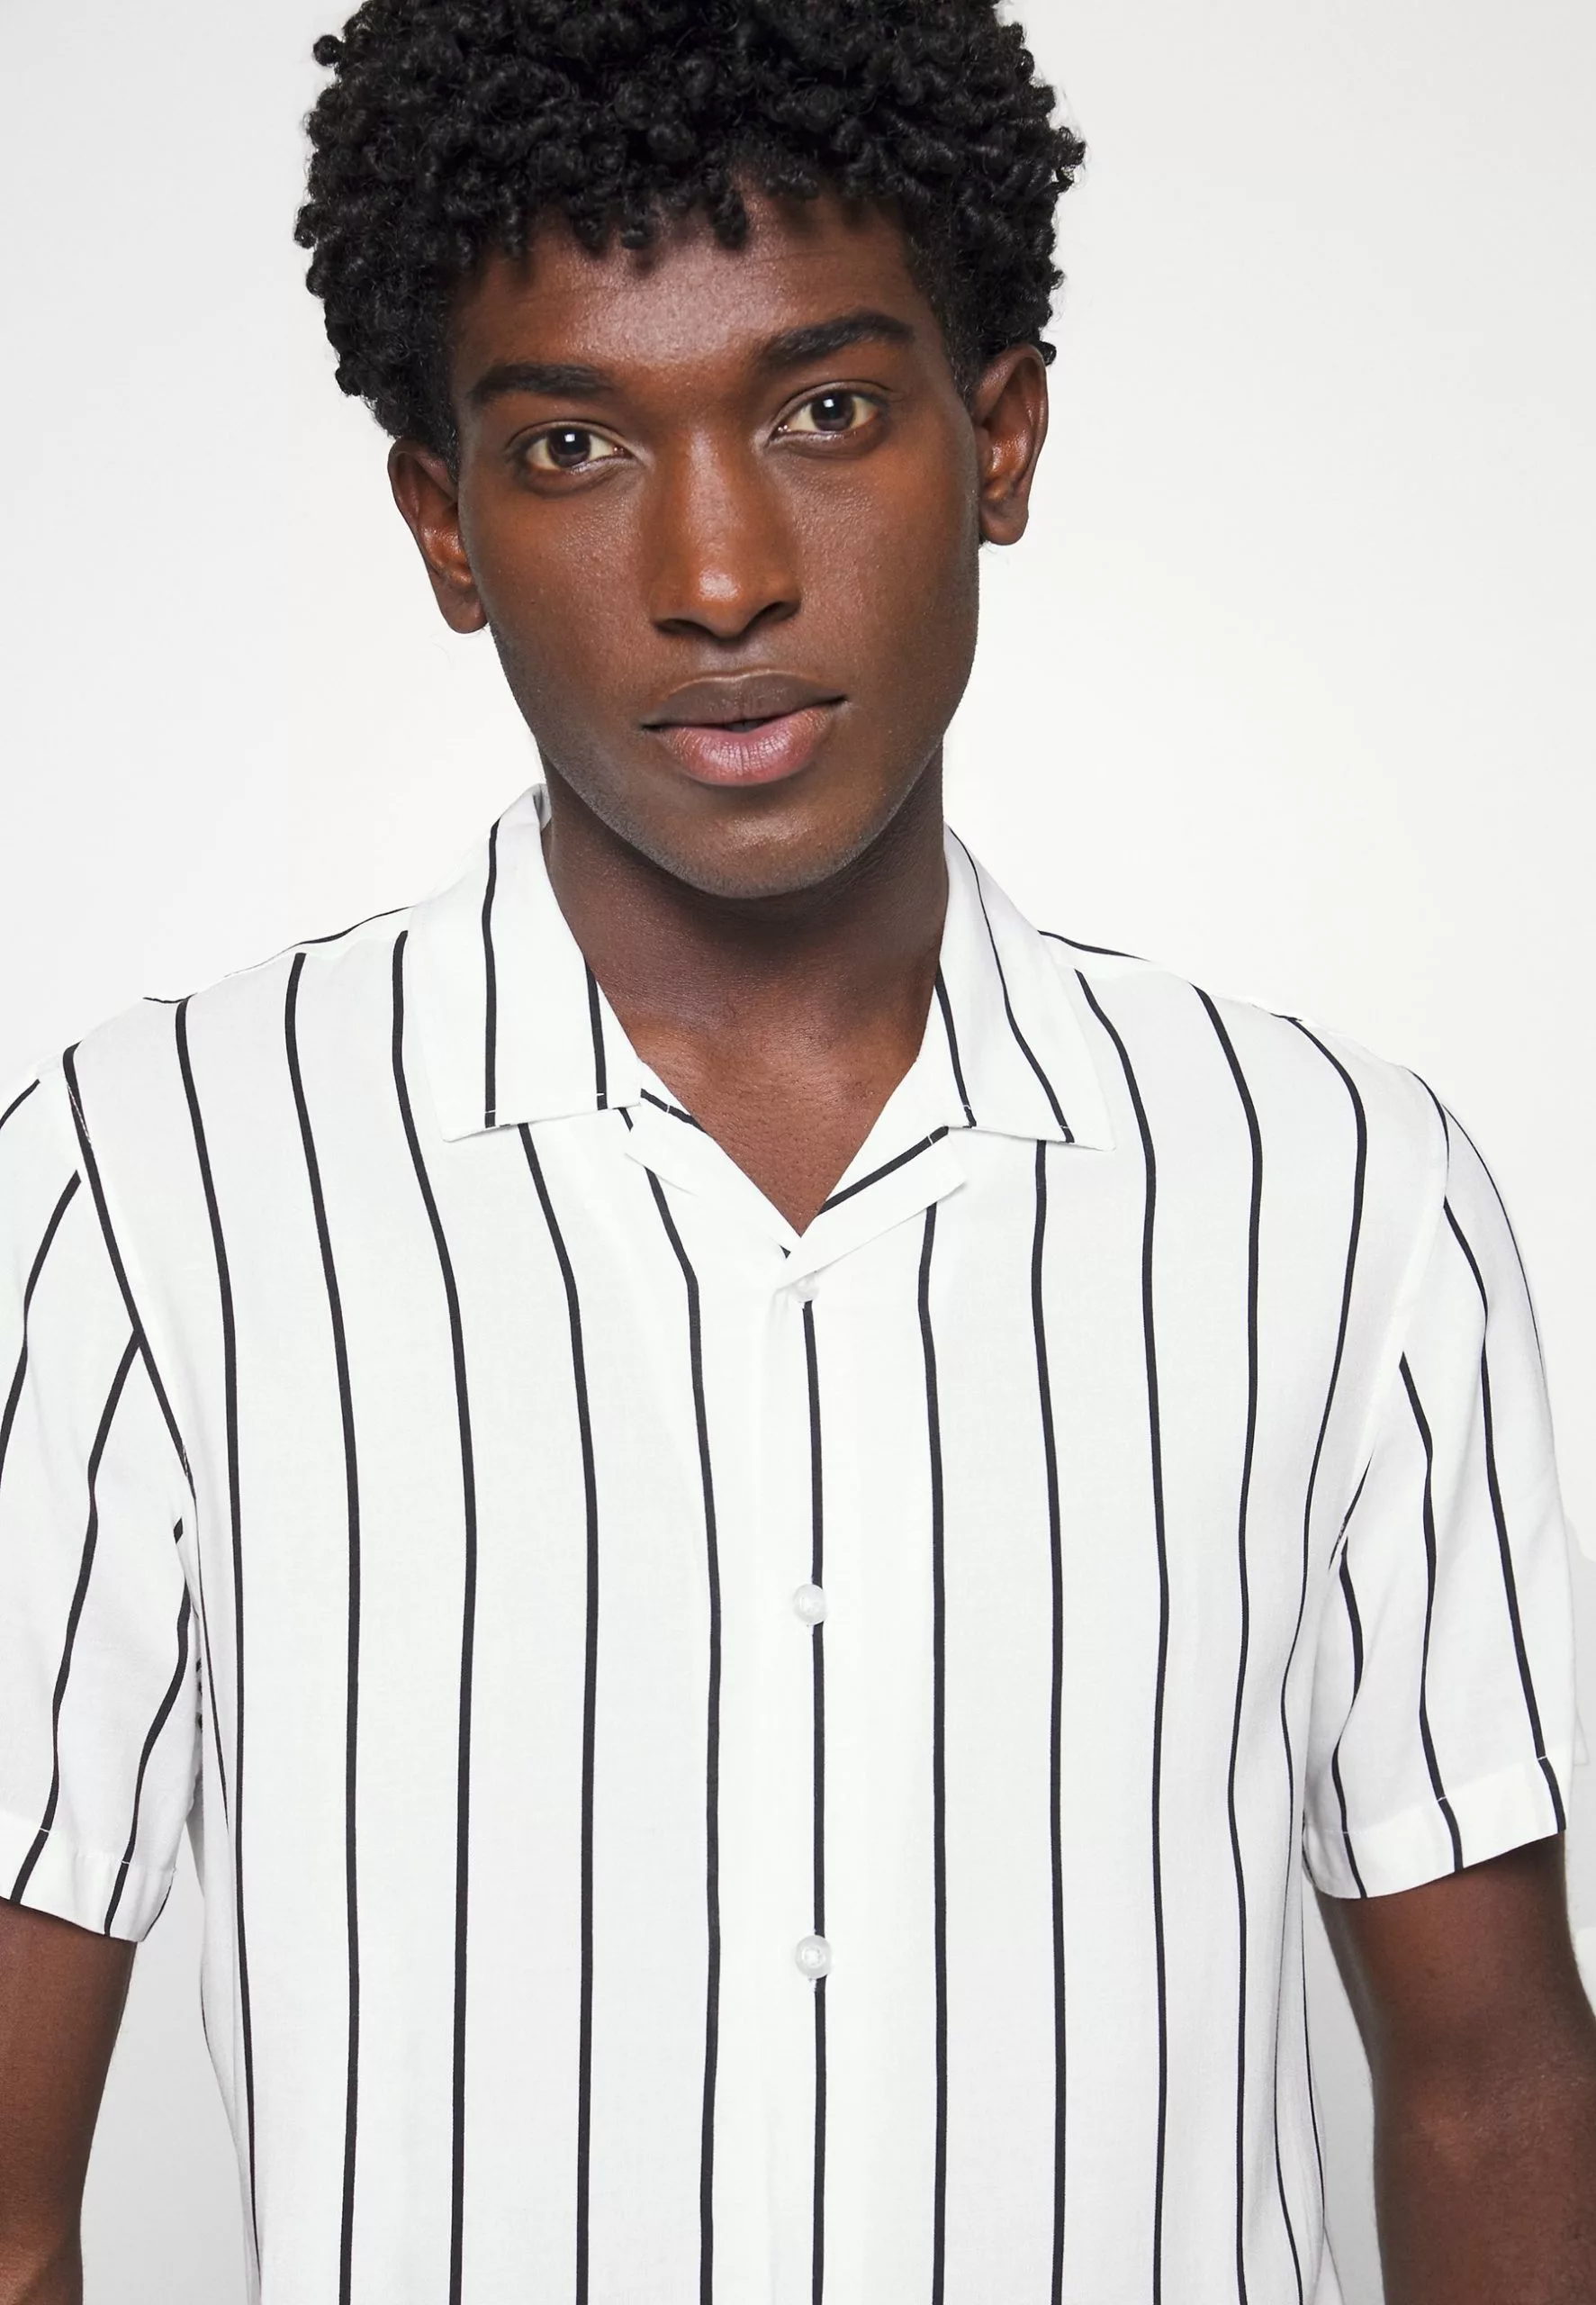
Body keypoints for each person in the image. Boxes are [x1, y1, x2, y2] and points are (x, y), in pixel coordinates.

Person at [1, 2, 1591, 2300]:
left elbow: (1489, 2090)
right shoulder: (151, 1193)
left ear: (1000, 434)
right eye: (571, 447)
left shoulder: (1339, 1196)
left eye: (823, 409)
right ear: (444, 525)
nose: (722, 571)